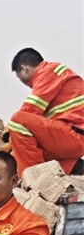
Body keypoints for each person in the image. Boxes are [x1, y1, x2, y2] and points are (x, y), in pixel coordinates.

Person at [7, 48, 84, 176]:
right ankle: (72, 168)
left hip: (74, 134)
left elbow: (30, 109)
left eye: (19, 77)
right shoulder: (52, 79)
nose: (24, 83)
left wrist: (7, 132)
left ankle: (34, 182)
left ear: (24, 68)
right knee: (21, 153)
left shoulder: (49, 71)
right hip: (70, 135)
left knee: (17, 120)